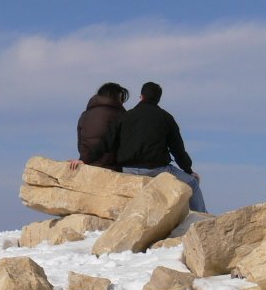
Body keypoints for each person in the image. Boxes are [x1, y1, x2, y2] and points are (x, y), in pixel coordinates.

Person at [76, 81, 207, 212]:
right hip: (156, 169)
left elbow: (106, 141)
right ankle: (203, 220)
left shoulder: (125, 116)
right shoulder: (166, 118)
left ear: (141, 96)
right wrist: (189, 170)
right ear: (158, 99)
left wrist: (85, 159)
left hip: (128, 169)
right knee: (192, 183)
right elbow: (178, 150)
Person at [75, 82, 129, 171]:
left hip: (87, 163)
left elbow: (80, 141)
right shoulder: (121, 115)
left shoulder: (85, 115)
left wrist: (84, 159)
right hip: (111, 166)